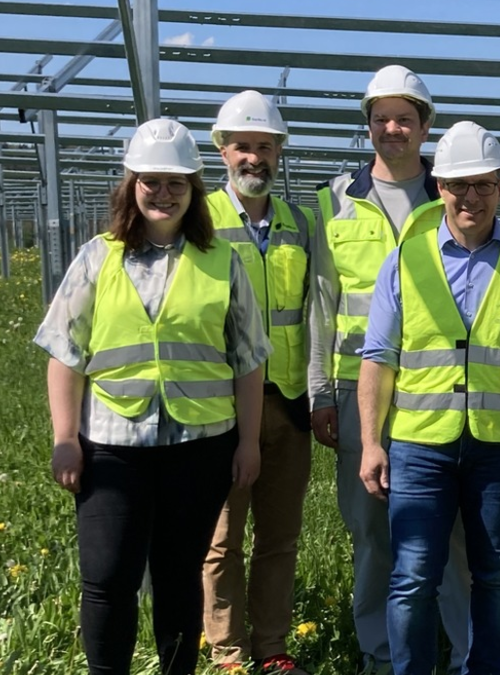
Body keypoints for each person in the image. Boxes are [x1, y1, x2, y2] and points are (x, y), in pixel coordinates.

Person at [35, 118, 268, 675]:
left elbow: (249, 362)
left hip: (200, 444)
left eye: (176, 183)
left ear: (194, 189)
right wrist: (65, 437)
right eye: (150, 181)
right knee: (107, 575)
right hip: (112, 444)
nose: (162, 194)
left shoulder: (223, 262)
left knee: (177, 575)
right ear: (131, 185)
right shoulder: (97, 257)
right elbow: (64, 353)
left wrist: (250, 443)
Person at [357, 121, 500, 675]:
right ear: (441, 188)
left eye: (484, 184)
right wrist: (370, 443)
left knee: (496, 576)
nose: (470, 197)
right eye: (458, 185)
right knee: (412, 578)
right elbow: (378, 357)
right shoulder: (406, 260)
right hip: (420, 448)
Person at [307, 65, 470, 674]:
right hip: (358, 391)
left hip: (437, 390)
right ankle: (381, 653)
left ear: (425, 127)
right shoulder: (336, 201)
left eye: (405, 118)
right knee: (372, 528)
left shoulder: (452, 195)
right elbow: (321, 305)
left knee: (448, 529)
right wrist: (319, 391)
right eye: (381, 119)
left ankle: (463, 650)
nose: (392, 128)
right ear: (368, 126)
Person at [202, 90, 316, 674]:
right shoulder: (200, 220)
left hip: (290, 403)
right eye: (243, 145)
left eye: (265, 147)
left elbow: (316, 310)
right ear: (222, 151)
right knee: (221, 542)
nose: (254, 157)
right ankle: (227, 654)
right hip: (222, 408)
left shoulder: (300, 223)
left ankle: (273, 647)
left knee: (279, 538)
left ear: (279, 153)